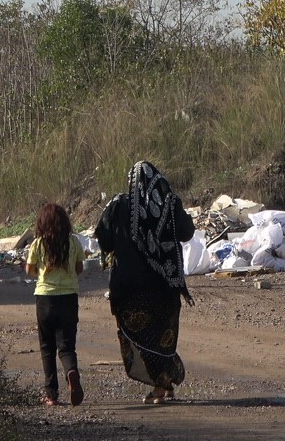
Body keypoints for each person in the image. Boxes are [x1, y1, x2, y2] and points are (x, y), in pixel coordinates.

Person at [95, 160, 196, 404]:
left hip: (130, 288)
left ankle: (160, 386)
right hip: (165, 288)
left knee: (140, 336)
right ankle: (165, 382)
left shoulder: (118, 206)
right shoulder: (170, 204)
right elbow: (187, 232)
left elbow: (104, 239)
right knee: (164, 335)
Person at [25, 202, 86, 407]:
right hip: (69, 298)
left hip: (45, 299)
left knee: (47, 347)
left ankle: (51, 394)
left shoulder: (38, 244)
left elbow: (29, 269)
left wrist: (41, 275)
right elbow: (79, 268)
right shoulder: (74, 242)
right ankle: (71, 371)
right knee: (67, 345)